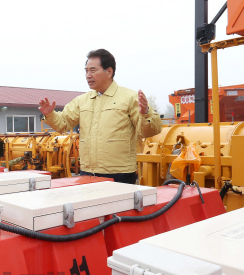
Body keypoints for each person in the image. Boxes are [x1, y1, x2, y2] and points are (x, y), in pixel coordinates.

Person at [39, 49, 162, 184]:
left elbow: (148, 131)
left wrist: (146, 114)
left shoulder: (129, 98)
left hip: (120, 174)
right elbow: (63, 124)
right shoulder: (82, 100)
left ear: (109, 71)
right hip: (88, 172)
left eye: (93, 70)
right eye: (86, 71)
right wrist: (49, 114)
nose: (88, 75)